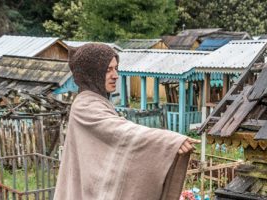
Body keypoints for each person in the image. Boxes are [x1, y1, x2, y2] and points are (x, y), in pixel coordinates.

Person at [54, 43, 200, 200]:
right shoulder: (85, 107)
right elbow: (121, 132)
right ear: (92, 74)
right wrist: (169, 142)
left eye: (116, 68)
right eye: (108, 70)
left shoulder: (98, 103)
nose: (116, 75)